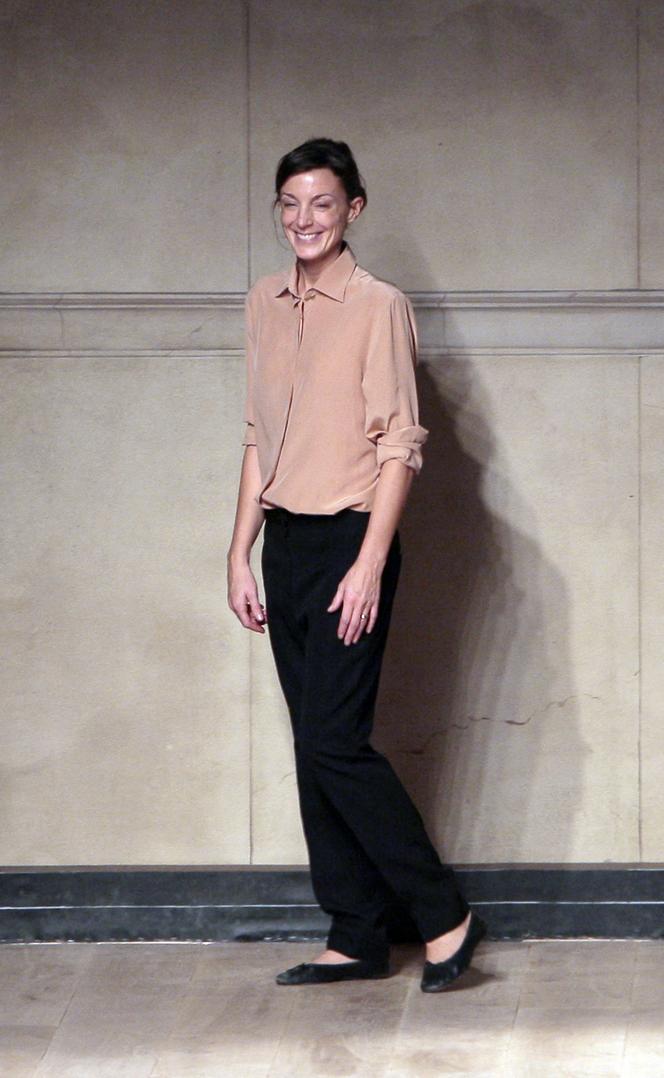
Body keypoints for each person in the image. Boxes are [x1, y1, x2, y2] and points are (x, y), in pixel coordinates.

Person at [227, 137, 486, 991]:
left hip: (350, 539)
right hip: (288, 546)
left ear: (354, 210)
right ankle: (356, 931)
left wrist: (370, 563)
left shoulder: (379, 306)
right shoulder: (263, 303)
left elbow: (402, 447)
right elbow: (262, 436)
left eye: (323, 205)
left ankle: (442, 915)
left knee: (337, 743)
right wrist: (239, 551)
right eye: (290, 205)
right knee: (314, 746)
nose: (304, 220)